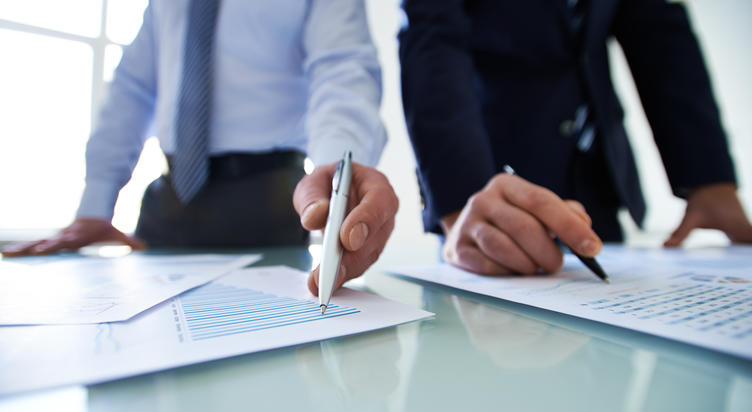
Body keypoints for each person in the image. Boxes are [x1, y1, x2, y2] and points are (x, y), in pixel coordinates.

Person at [1, 0, 398, 293]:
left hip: (268, 201)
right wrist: (94, 206)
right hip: (167, 201)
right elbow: (132, 88)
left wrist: (337, 172)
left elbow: (341, 70)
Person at [398, 0, 752, 276]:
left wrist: (709, 178)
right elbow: (431, 35)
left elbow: (657, 28)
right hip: (492, 185)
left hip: (596, 176)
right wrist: (462, 198)